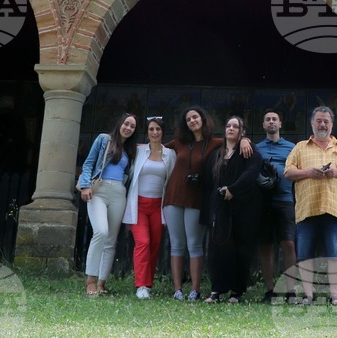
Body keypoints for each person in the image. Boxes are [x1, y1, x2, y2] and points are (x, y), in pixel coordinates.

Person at [163, 106, 252, 301]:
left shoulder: (215, 143)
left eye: (195, 117)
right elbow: (154, 147)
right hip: (173, 197)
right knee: (176, 244)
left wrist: (245, 139)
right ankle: (177, 290)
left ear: (203, 119)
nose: (192, 121)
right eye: (188, 119)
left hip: (196, 199)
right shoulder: (178, 143)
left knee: (194, 244)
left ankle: (195, 290)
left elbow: (233, 140)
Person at [283, 105, 337, 306]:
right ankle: (308, 296)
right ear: (312, 123)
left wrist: (336, 172)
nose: (322, 124)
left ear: (332, 124)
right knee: (305, 255)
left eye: (326, 121)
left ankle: (334, 297)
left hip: (333, 208)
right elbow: (288, 172)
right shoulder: (300, 147)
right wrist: (308, 172)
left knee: (334, 255)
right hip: (307, 209)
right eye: (319, 121)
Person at [200, 116, 263, 303]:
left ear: (242, 132)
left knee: (241, 249)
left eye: (236, 126)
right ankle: (216, 291)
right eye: (228, 125)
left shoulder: (249, 151)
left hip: (244, 208)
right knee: (218, 249)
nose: (231, 129)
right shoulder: (216, 155)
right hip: (220, 209)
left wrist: (233, 190)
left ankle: (236, 292)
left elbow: (251, 174)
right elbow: (209, 184)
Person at [78, 112, 138, 297]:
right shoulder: (104, 139)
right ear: (120, 123)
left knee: (111, 239)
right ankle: (90, 281)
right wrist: (85, 186)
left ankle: (102, 283)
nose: (128, 128)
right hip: (99, 189)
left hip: (119, 193)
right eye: (126, 124)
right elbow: (89, 163)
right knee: (101, 232)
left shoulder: (130, 150)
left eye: (132, 126)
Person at [123, 115, 176, 299]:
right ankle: (141, 285)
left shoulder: (170, 154)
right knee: (143, 242)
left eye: (158, 129)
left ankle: (148, 284)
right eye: (151, 129)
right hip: (138, 205)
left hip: (158, 206)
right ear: (147, 132)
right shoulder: (139, 151)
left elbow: (172, 180)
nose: (154, 132)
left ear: (163, 132)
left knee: (154, 245)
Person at [254, 109, 297, 303]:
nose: (271, 122)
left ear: (280, 124)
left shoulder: (291, 147)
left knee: (288, 243)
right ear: (263, 125)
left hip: (285, 199)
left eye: (274, 119)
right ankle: (270, 290)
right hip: (263, 201)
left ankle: (290, 291)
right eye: (268, 119)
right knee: (265, 245)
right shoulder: (256, 148)